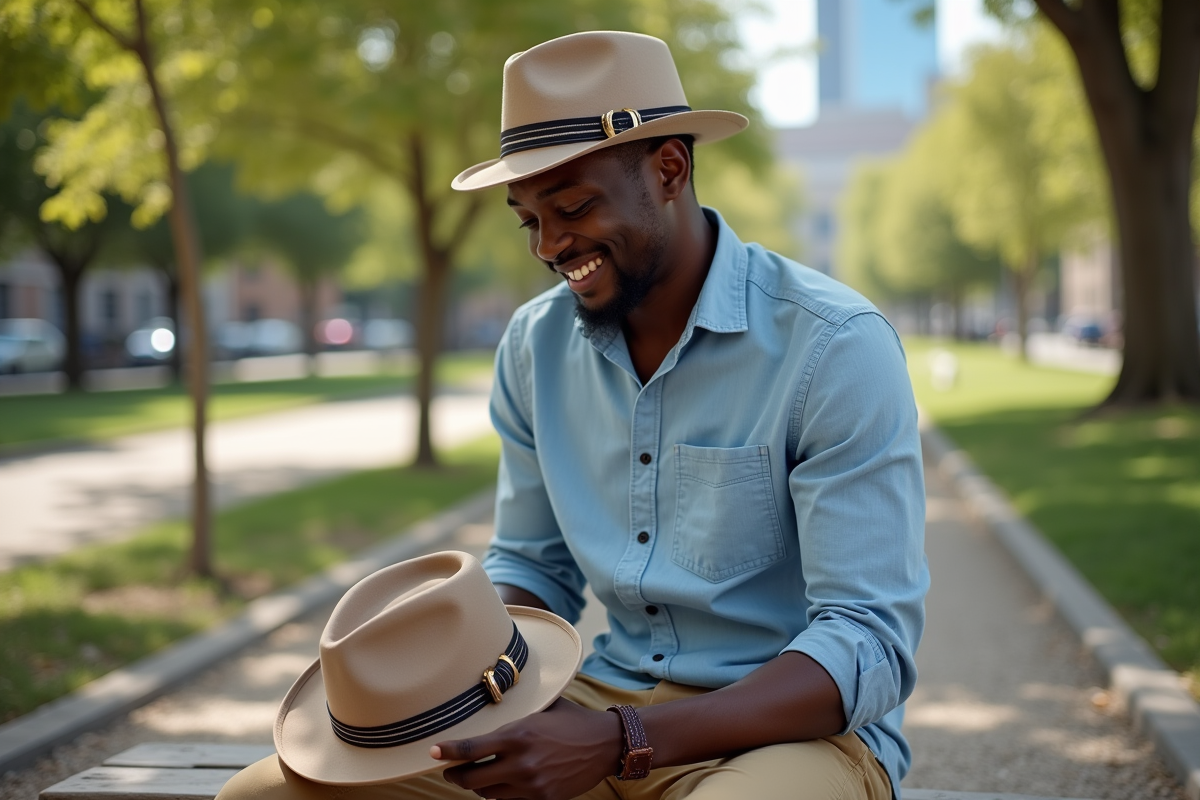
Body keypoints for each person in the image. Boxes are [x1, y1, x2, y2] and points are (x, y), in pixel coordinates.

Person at [218, 29, 927, 800]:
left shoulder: (834, 348)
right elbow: (531, 568)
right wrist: (451, 687)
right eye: (527, 219)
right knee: (264, 797)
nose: (551, 246)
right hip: (592, 711)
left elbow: (867, 641)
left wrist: (623, 741)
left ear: (669, 169)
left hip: (786, 738)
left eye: (574, 207)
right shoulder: (532, 347)